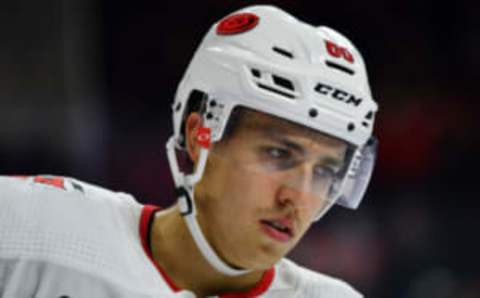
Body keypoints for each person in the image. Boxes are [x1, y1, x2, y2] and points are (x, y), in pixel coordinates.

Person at [0, 5, 378, 298]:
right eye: (279, 154)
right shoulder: (34, 227)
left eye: (325, 170)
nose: (297, 197)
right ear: (200, 135)